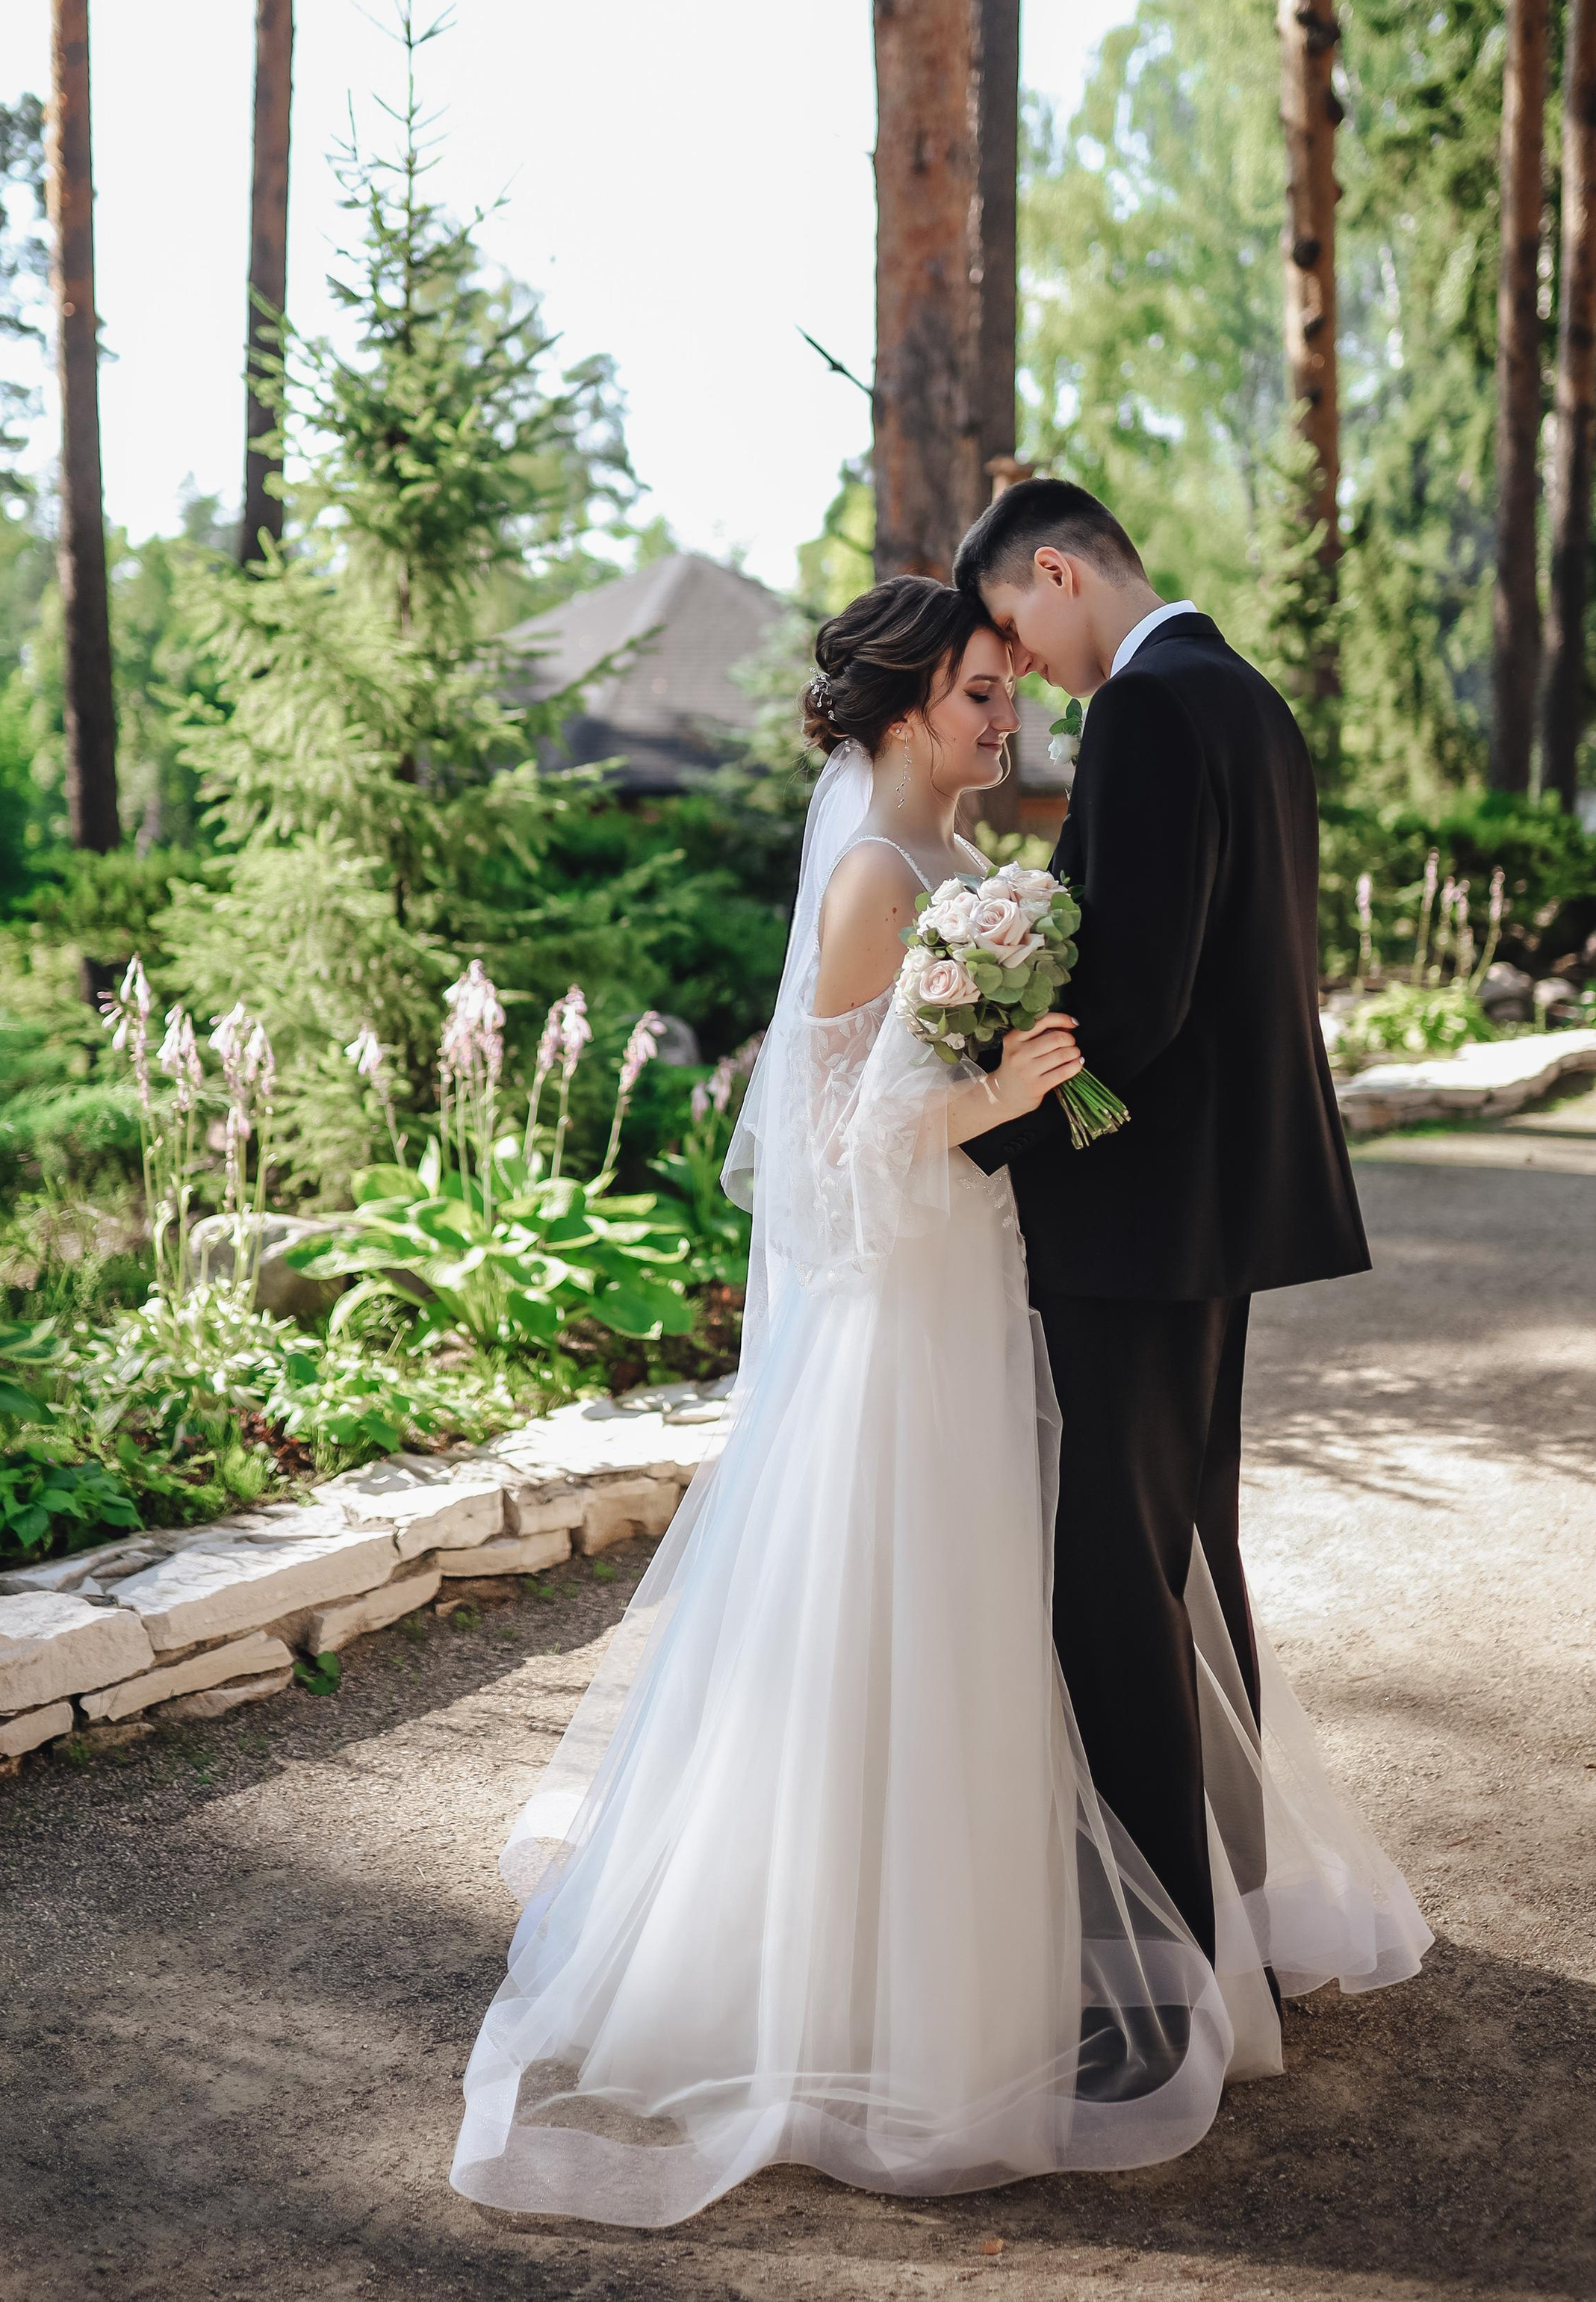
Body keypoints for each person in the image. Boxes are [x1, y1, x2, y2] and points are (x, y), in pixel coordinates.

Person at [450, 574, 1427, 2232]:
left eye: (1007, 691)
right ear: (907, 711)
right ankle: (864, 1998)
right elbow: (824, 1158)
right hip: (894, 1328)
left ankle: (991, 1965)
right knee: (892, 1625)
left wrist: (1018, 1085)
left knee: (991, 1628)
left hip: (983, 1295)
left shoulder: (976, 876)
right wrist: (990, 1090)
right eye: (981, 694)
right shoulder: (868, 884)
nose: (1010, 716)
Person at [951, 477, 1372, 1970]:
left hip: (1137, 1208)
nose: (1028, 671)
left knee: (1112, 1578)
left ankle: (1151, 1955)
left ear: (1057, 571)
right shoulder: (1244, 696)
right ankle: (1229, 1895)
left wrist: (978, 1118)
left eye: (1016, 626)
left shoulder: (1142, 709)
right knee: (1190, 1547)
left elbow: (1132, 995)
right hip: (1221, 1202)